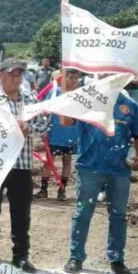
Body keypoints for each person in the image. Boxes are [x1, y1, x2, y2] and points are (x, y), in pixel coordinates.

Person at [60, 78, 138, 274]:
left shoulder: (129, 106)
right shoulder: (87, 101)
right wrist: (67, 95)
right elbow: (66, 122)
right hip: (89, 167)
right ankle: (76, 256)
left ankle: (117, 259)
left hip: (120, 170)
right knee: (83, 212)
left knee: (118, 215)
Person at [0, 58, 49, 272]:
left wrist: (29, 128)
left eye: (19, 74)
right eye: (11, 74)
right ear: (1, 75)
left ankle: (21, 256)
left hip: (22, 163)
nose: (16, 78)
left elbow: (43, 123)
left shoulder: (30, 97)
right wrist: (14, 128)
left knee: (21, 212)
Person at [34, 69, 81, 201]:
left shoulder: (80, 95)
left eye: (75, 78)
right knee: (49, 161)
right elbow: (46, 112)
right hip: (55, 132)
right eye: (70, 77)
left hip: (71, 133)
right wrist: (44, 130)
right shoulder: (54, 92)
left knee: (67, 160)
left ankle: (62, 189)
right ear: (63, 78)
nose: (72, 81)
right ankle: (44, 189)